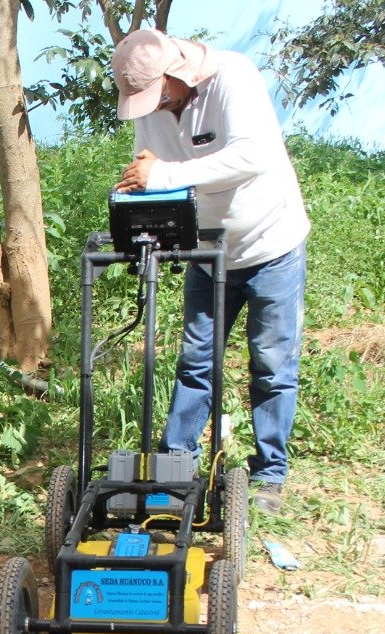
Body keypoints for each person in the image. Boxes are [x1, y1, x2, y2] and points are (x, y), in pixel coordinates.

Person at [112, 29, 311, 513]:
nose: (150, 109)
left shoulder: (233, 77)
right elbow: (152, 174)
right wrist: (142, 211)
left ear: (175, 74)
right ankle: (176, 462)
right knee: (196, 358)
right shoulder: (153, 112)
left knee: (271, 362)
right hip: (207, 249)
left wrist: (164, 174)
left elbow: (253, 155)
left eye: (154, 95)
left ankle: (269, 476)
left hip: (271, 244)